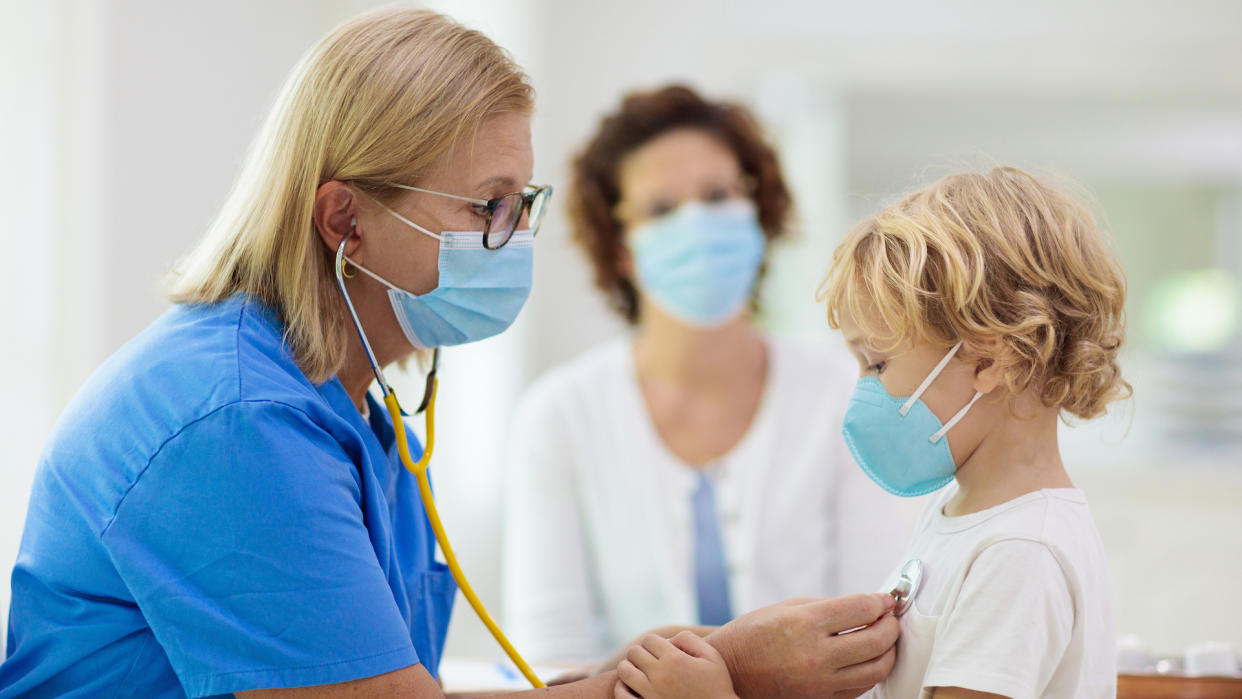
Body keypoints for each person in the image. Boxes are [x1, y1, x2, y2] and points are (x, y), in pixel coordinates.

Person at [0, 9, 900, 699]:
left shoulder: (352, 409)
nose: (512, 238)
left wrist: (632, 675)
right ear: (347, 220)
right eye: (486, 206)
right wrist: (732, 664)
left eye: (522, 202)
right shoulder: (237, 422)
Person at [616, 166, 1127, 698]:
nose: (860, 391)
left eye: (877, 365)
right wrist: (729, 657)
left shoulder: (1019, 553)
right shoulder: (965, 518)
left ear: (989, 359)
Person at [501, 84, 905, 664]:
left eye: (718, 195)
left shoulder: (848, 390)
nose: (697, 224)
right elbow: (550, 663)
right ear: (620, 247)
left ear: (758, 212)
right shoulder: (560, 416)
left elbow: (879, 627)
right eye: (662, 209)